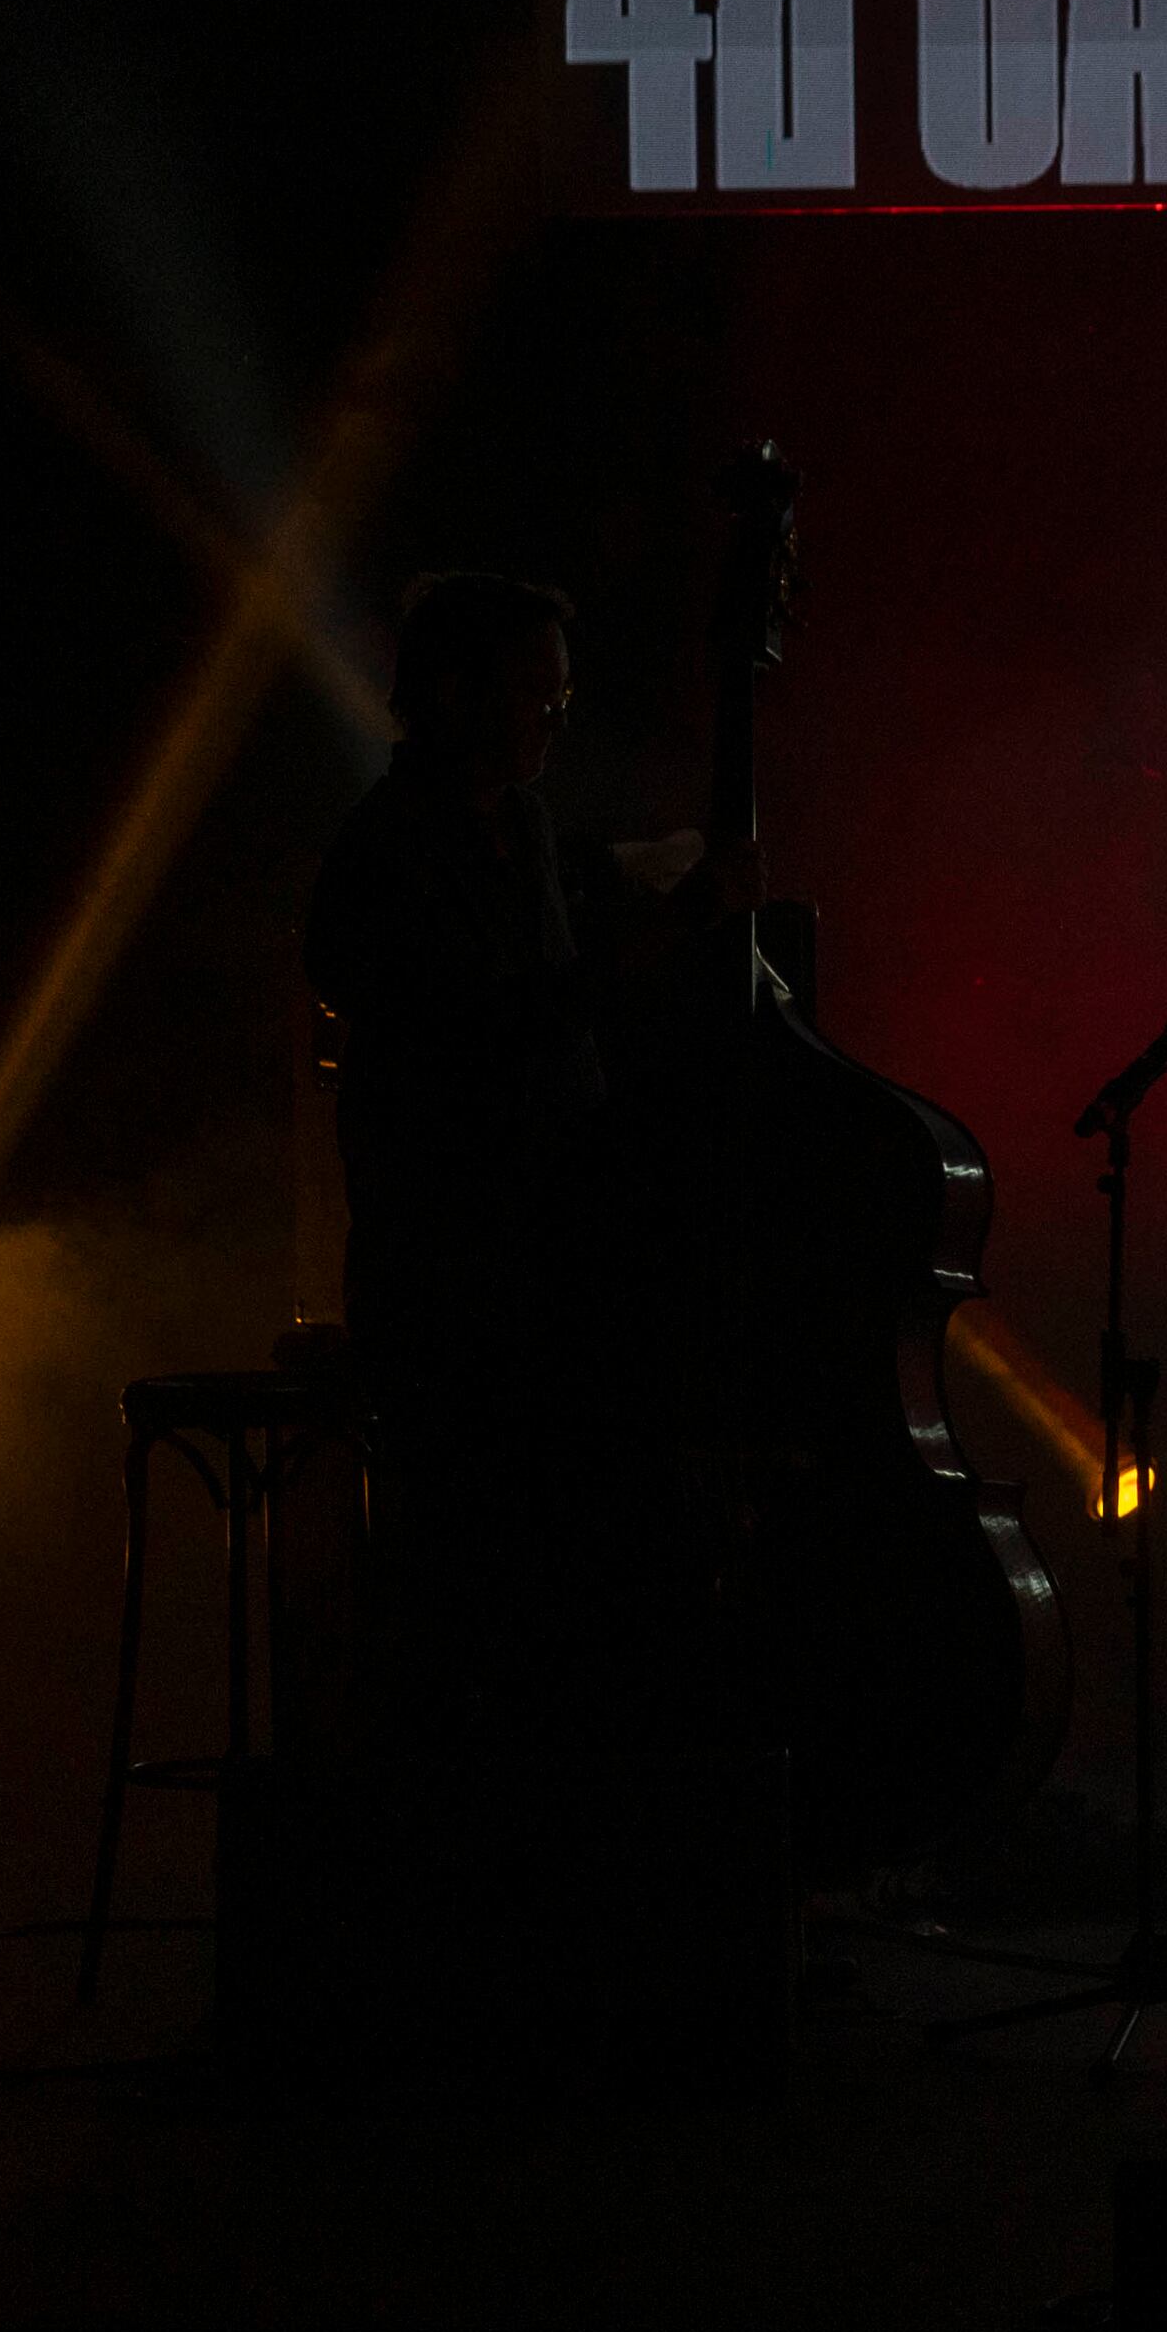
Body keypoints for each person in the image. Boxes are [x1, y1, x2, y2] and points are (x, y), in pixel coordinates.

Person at [303, 569, 749, 1739]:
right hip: (451, 1286)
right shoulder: (387, 850)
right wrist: (650, 949)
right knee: (479, 1590)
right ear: (451, 693)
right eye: (534, 699)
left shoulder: (528, 828)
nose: (555, 722)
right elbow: (487, 1040)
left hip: (544, 1271)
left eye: (564, 702)